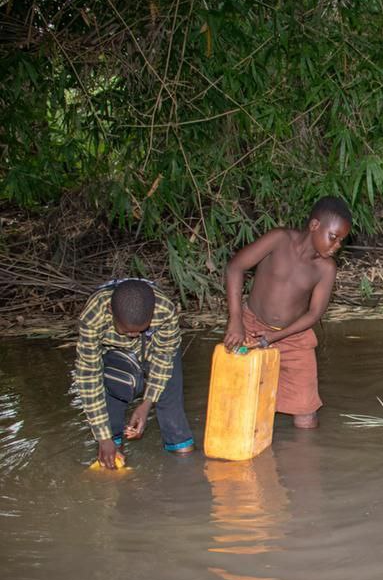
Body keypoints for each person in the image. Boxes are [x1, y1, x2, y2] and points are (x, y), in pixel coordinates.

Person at [224, 196, 352, 428]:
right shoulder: (279, 239)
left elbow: (314, 314)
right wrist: (235, 321)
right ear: (314, 225)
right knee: (240, 401)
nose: (337, 246)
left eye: (341, 241)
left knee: (306, 414)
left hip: (294, 337)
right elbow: (235, 267)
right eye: (333, 237)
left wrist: (273, 338)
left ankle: (301, 461)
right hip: (250, 327)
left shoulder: (326, 268)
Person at [74, 278, 195, 469]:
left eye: (140, 331)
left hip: (157, 350)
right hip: (115, 354)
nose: (133, 336)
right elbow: (89, 377)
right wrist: (103, 438)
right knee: (112, 398)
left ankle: (184, 467)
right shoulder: (94, 316)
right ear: (110, 312)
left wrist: (147, 403)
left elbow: (164, 357)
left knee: (171, 407)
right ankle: (112, 453)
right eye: (127, 331)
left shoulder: (164, 310)